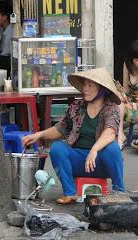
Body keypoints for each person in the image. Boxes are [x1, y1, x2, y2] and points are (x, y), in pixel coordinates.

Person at [22, 68, 125, 204]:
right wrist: (38, 135)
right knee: (58, 148)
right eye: (84, 85)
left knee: (112, 149)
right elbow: (60, 128)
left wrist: (94, 150)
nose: (85, 89)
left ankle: (119, 193)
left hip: (101, 163)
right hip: (79, 162)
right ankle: (70, 193)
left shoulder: (111, 109)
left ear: (102, 90)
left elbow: (111, 131)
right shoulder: (77, 107)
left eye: (90, 85)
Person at [0, 1, 13, 75]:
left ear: (4, 17)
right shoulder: (2, 30)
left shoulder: (11, 31)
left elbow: (5, 54)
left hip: (6, 65)